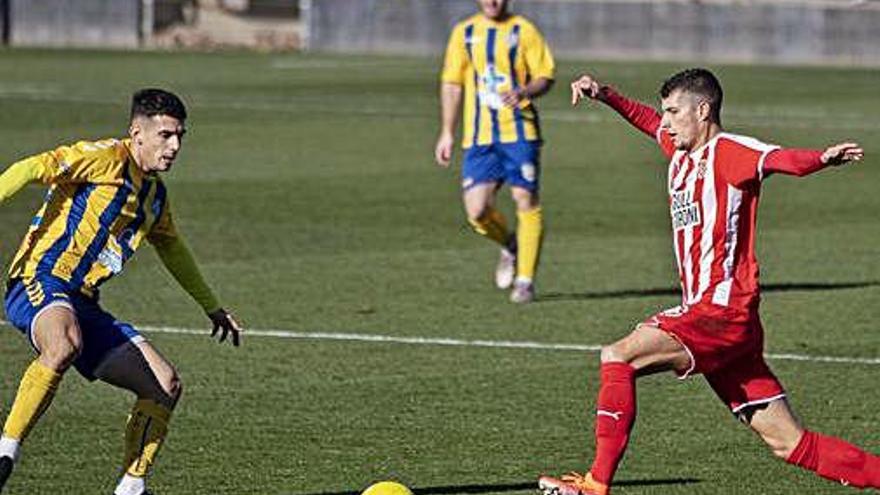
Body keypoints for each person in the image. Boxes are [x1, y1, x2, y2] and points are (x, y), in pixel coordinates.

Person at [538, 68, 878, 494]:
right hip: (729, 328)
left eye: (673, 111)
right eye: (664, 111)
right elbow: (645, 119)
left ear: (703, 110)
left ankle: (595, 484)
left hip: (720, 312)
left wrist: (821, 159)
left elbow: (778, 160)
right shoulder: (680, 151)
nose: (664, 121)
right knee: (789, 443)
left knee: (618, 355)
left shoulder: (729, 151)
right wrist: (604, 94)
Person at [0, 88, 243, 495]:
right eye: (166, 135)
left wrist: (212, 306)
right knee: (63, 344)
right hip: (38, 278)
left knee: (164, 385)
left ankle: (131, 488)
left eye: (180, 135)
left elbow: (172, 248)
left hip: (82, 302)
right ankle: (5, 451)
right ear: (137, 132)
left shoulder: (154, 196)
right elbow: (31, 167)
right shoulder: (103, 158)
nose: (175, 146)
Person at [434, 0, 555, 303]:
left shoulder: (523, 30)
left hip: (520, 132)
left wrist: (524, 91)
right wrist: (447, 131)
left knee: (525, 200)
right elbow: (452, 84)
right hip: (479, 137)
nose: (492, 1)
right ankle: (510, 244)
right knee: (477, 212)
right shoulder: (465, 32)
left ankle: (525, 281)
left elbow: (545, 76)